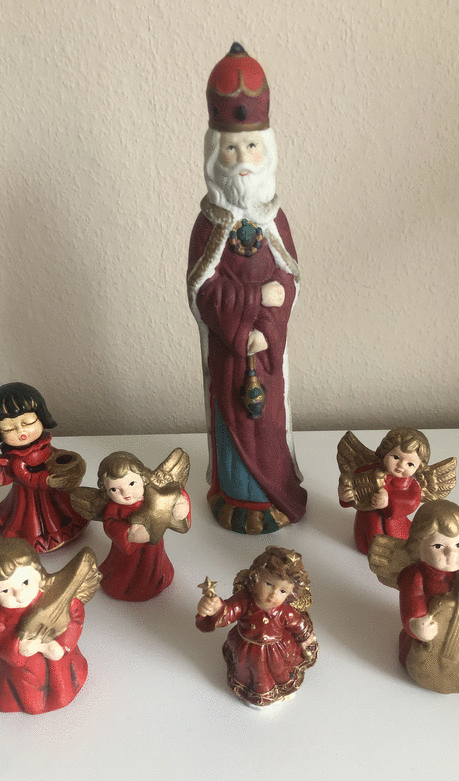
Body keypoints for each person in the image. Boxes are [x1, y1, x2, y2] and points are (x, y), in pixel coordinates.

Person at [187, 43, 306, 535]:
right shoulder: (208, 222)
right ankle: (234, 496)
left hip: (268, 350)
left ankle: (273, 494)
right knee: (232, 419)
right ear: (215, 154)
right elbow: (202, 290)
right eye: (232, 149)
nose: (243, 160)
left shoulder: (274, 218)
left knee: (269, 422)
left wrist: (267, 327)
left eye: (251, 147)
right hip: (229, 350)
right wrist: (253, 305)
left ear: (267, 151)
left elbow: (289, 281)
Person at [0, 538, 96, 714]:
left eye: (25, 582)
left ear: (38, 574)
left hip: (59, 660)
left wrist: (62, 646)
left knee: (63, 688)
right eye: (5, 591)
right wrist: (19, 647)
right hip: (24, 671)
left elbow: (75, 614)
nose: (20, 595)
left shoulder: (55, 596)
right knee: (31, 699)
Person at [0, 382, 88, 552]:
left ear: (41, 417)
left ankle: (67, 527)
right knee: (34, 517)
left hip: (55, 490)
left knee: (63, 508)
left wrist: (68, 461)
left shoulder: (44, 444)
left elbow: (53, 454)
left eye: (28, 422)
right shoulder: (16, 460)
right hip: (31, 494)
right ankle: (41, 538)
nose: (21, 432)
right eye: (9, 428)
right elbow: (24, 476)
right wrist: (46, 481)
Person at [397, 501, 459, 692]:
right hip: (430, 641)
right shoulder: (415, 574)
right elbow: (412, 599)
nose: (451, 553)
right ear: (418, 548)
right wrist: (416, 624)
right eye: (438, 546)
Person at [196, 546, 317, 707]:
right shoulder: (245, 600)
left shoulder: (284, 611)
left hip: (276, 649)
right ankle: (251, 690)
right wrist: (216, 608)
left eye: (282, 591)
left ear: (290, 594)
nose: (273, 594)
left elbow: (297, 623)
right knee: (249, 671)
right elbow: (229, 611)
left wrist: (305, 638)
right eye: (268, 584)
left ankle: (279, 689)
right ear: (256, 578)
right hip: (246, 647)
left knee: (278, 671)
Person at [74, 451, 191, 601]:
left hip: (153, 548)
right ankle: (127, 586)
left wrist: (181, 504)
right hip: (127, 553)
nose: (126, 492)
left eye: (131, 484)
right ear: (106, 491)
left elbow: (172, 493)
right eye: (114, 489)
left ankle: (157, 578)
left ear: (143, 479)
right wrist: (128, 534)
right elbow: (110, 526)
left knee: (153, 564)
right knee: (126, 571)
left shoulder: (153, 496)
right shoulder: (113, 508)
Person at [338, 427, 429, 554]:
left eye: (410, 464)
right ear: (385, 452)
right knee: (364, 544)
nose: (401, 465)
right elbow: (353, 484)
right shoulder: (367, 471)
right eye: (396, 457)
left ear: (418, 467)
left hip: (394, 528)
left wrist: (389, 501)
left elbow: (413, 502)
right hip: (365, 523)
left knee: (392, 548)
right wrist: (345, 495)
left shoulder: (411, 485)